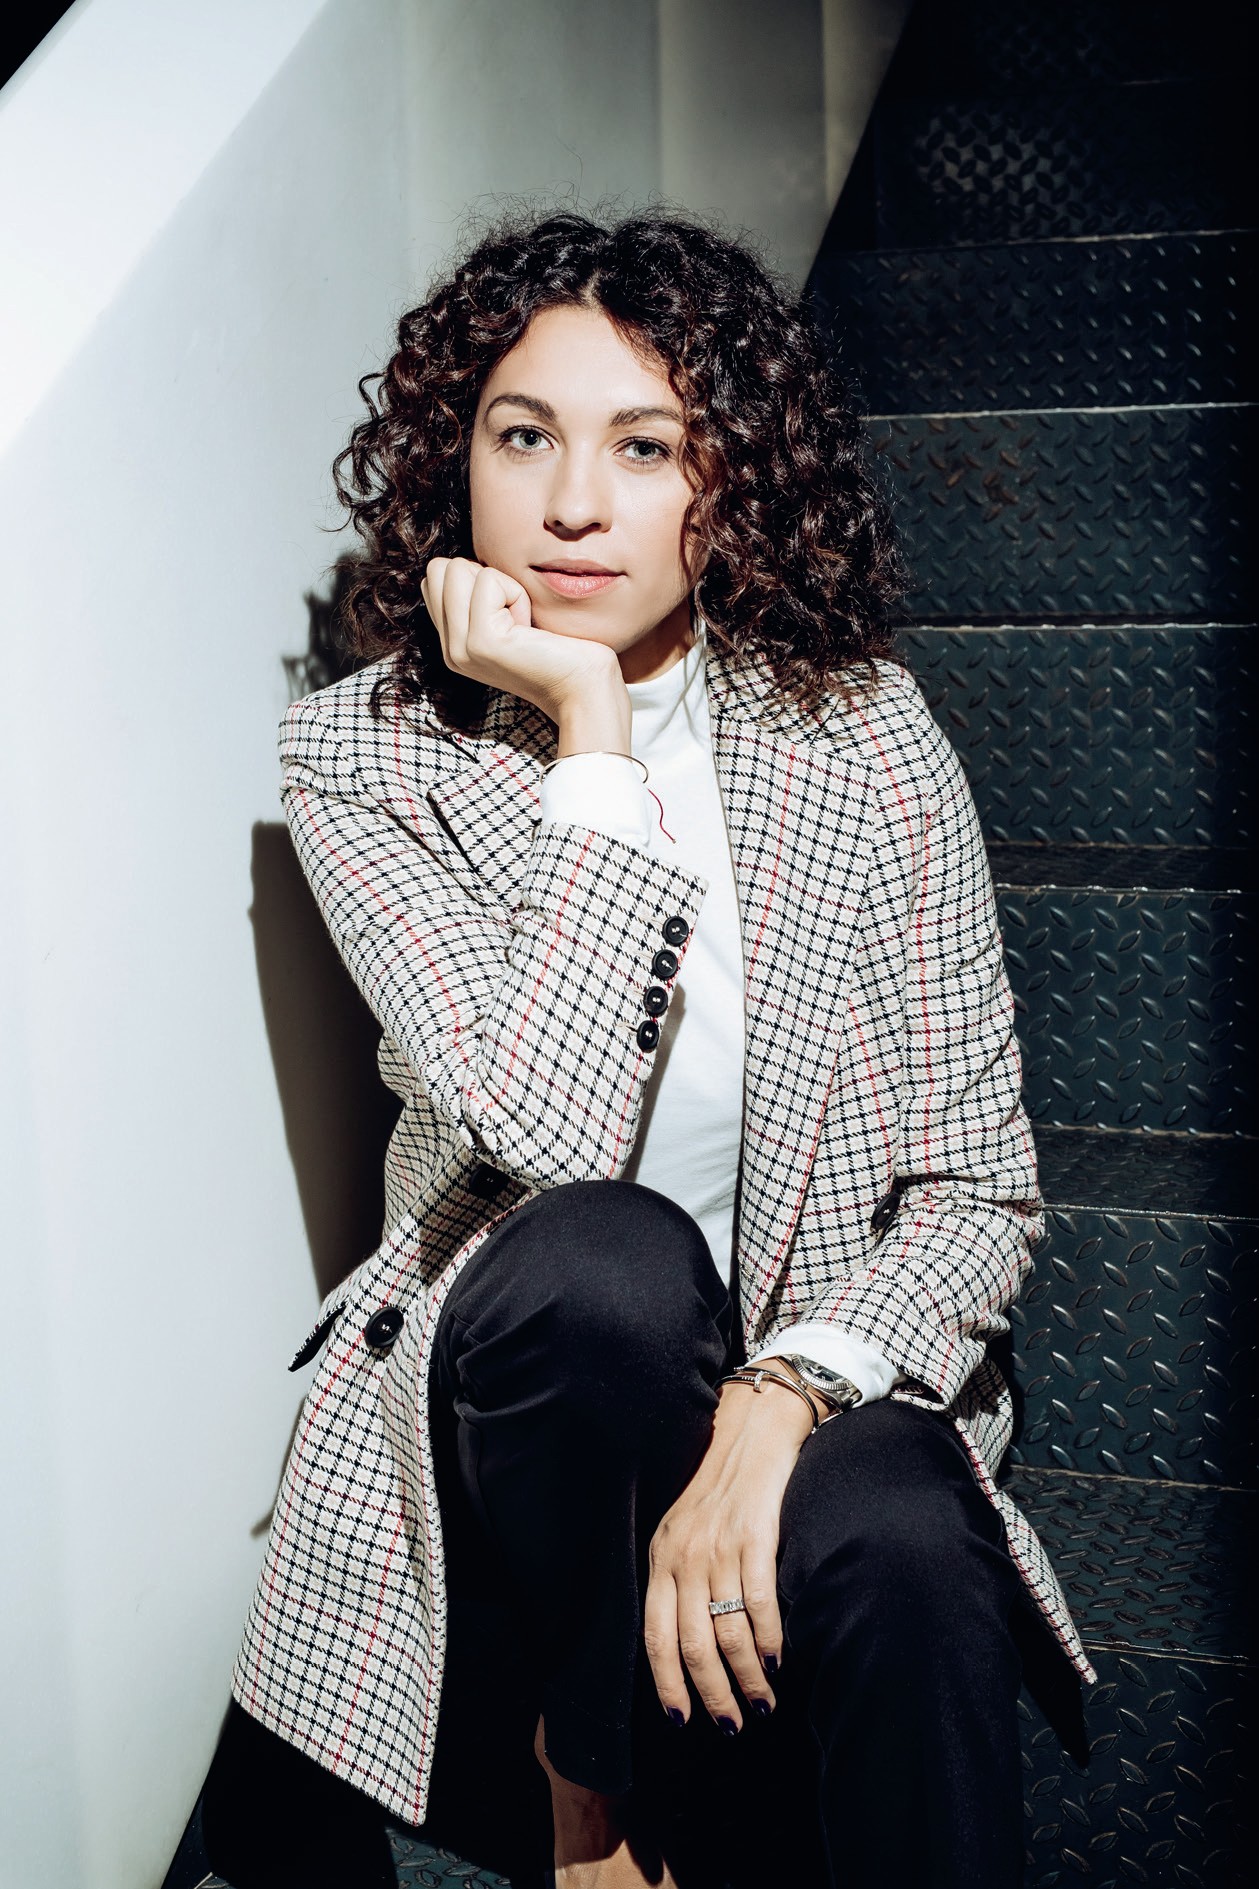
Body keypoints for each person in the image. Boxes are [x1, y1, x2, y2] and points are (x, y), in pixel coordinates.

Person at [195, 208, 1095, 1889]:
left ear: (727, 476)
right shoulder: (371, 756)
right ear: (456, 458)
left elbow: (978, 1193)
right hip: (544, 1415)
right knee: (607, 1261)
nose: (573, 504)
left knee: (906, 1535)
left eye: (644, 445)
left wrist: (780, 1398)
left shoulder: (862, 735)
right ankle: (587, 1775)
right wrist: (591, 728)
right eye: (523, 436)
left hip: (802, 1369)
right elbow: (539, 1133)